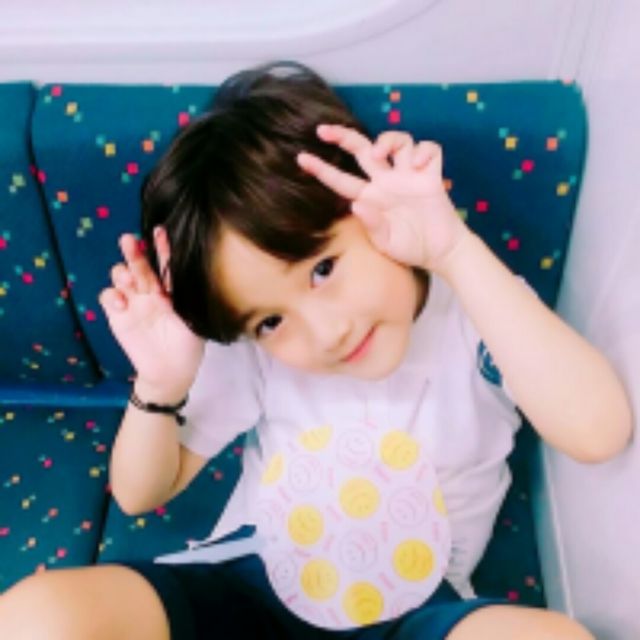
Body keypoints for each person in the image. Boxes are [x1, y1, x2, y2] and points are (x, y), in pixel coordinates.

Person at [0, 61, 632, 640]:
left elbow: (599, 430)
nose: (327, 333)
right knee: (37, 618)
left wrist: (453, 249)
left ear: (370, 199)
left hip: (412, 604)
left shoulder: (477, 303)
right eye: (272, 320)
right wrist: (159, 386)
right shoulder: (259, 355)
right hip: (257, 575)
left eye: (324, 269)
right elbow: (139, 492)